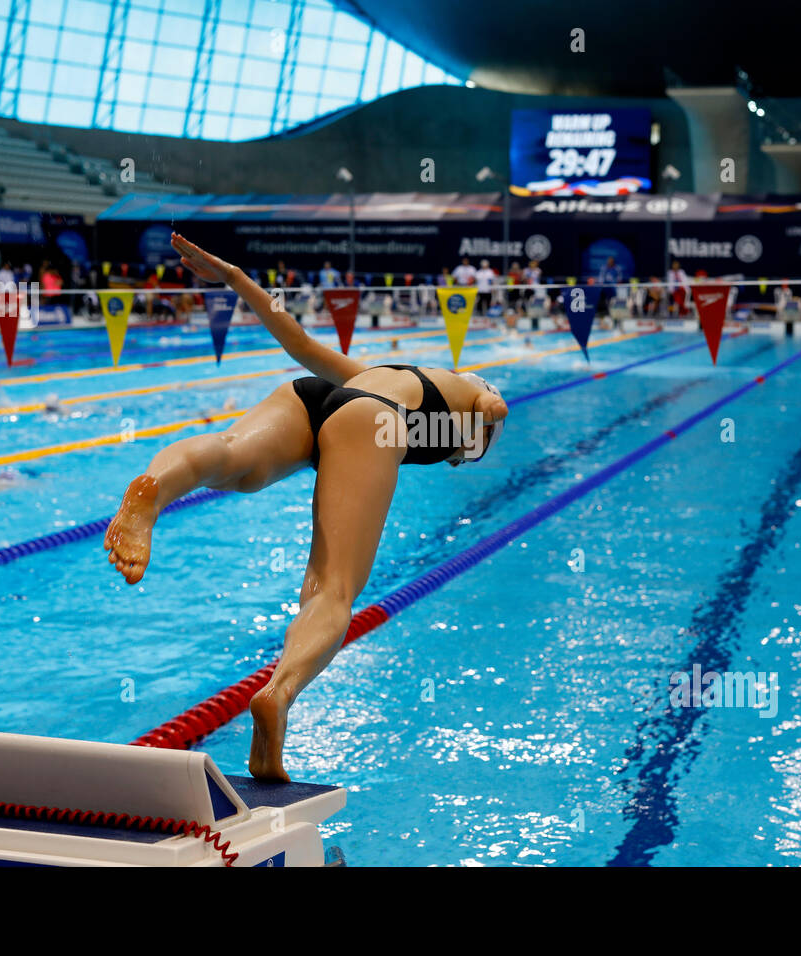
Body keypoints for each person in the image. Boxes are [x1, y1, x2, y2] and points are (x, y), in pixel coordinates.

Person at [104, 233, 509, 781]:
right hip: (371, 420)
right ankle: (279, 693)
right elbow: (493, 402)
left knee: (231, 460)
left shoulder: (383, 373)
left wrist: (232, 276)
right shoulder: (470, 400)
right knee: (331, 591)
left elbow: (296, 342)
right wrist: (491, 409)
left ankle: (155, 488)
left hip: (316, 396)